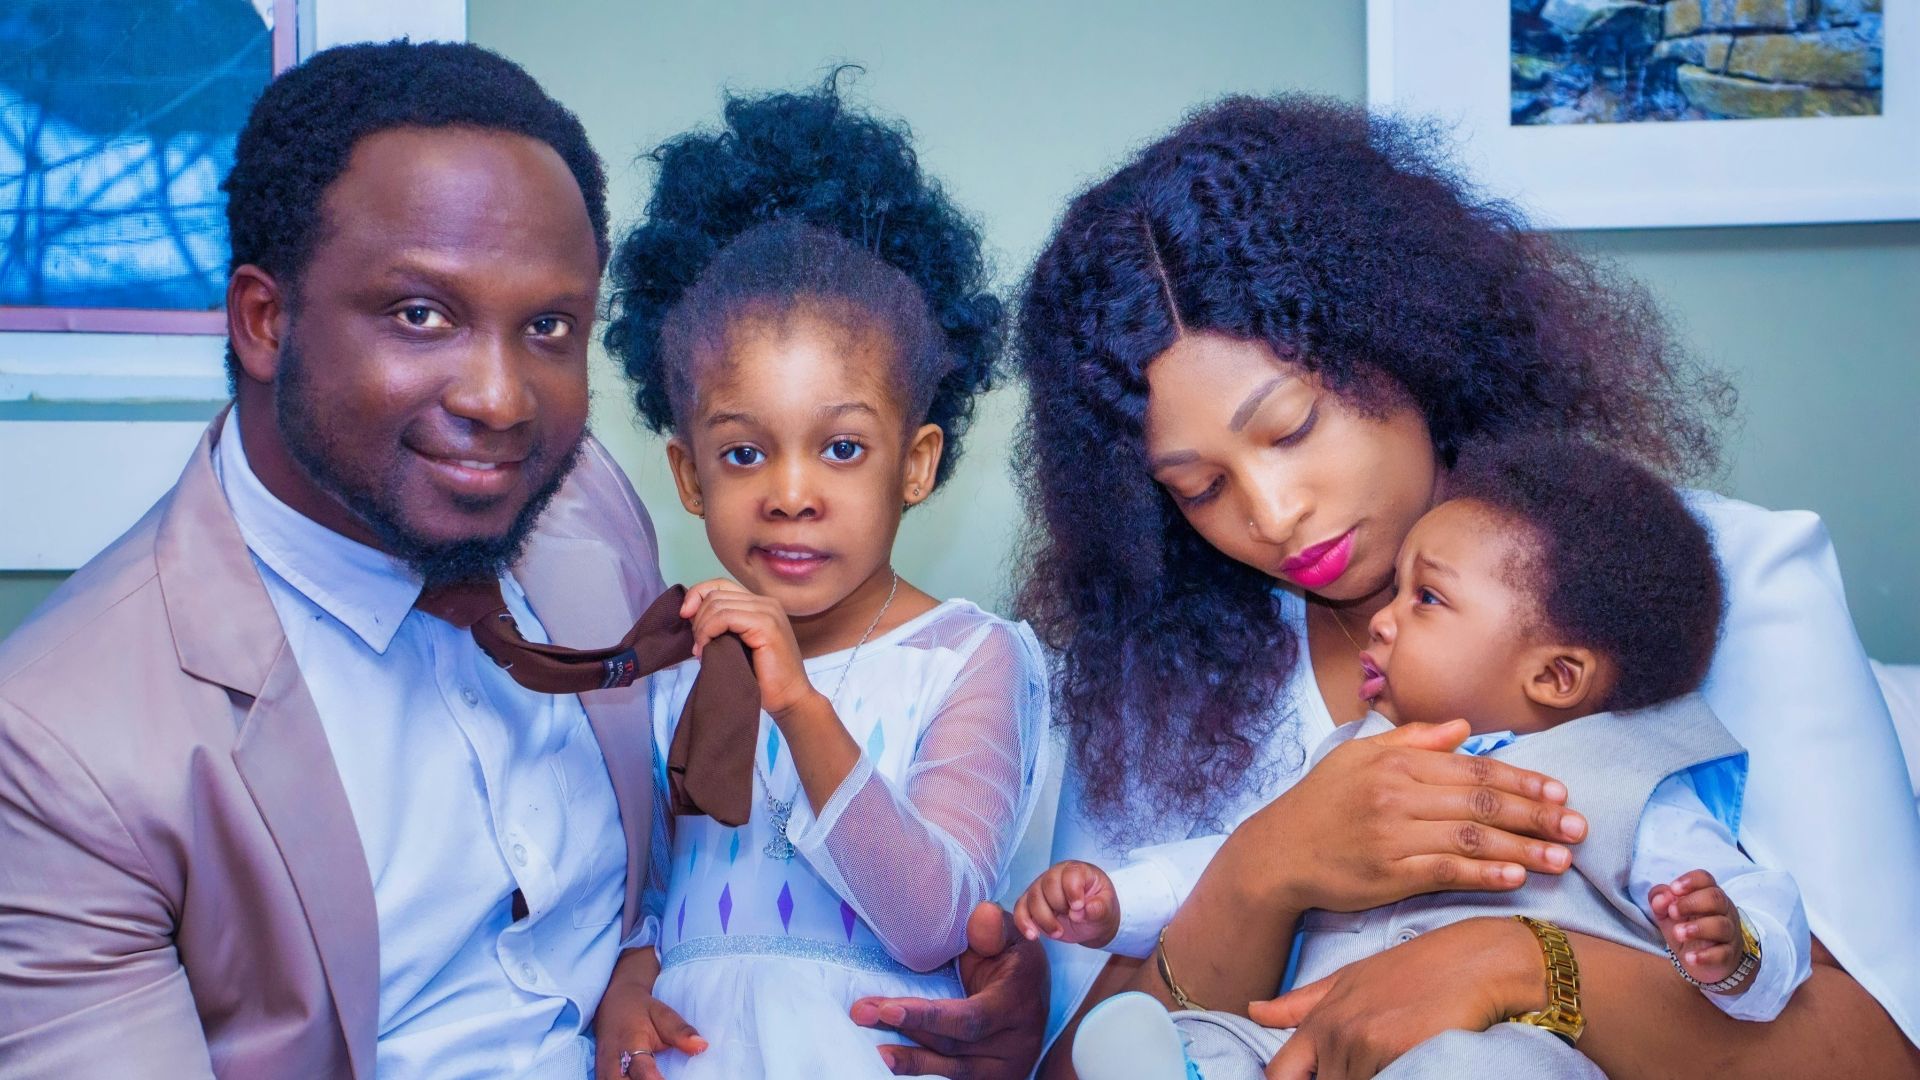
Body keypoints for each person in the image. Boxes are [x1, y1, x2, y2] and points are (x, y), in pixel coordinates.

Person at [1001, 94, 1920, 1078]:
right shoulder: (1159, 675)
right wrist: (1264, 870)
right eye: (1199, 488)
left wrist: (1517, 962)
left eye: (1295, 427)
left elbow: (1877, 1055)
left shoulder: (1715, 579)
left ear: (1399, 339)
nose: (1269, 513)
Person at [0, 41, 659, 1078]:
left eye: (548, 326)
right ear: (265, 321)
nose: (501, 398)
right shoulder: (57, 746)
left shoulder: (585, 508)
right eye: (421, 314)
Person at [1038, 438, 1810, 1078]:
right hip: (1309, 1044)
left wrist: (1733, 947)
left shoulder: (1633, 789)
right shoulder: (1358, 757)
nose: (1382, 620)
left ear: (1554, 676)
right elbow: (1229, 858)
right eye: (1397, 589)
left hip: (1509, 1043)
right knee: (1215, 1045)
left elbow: (1766, 914)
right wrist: (1116, 896)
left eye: (1426, 599)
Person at [591, 83, 1050, 1079]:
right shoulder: (680, 659)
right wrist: (631, 972)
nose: (791, 494)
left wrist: (797, 701)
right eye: (745, 454)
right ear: (687, 476)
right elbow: (651, 891)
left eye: (842, 448)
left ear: (916, 464)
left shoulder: (968, 658)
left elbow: (937, 920)